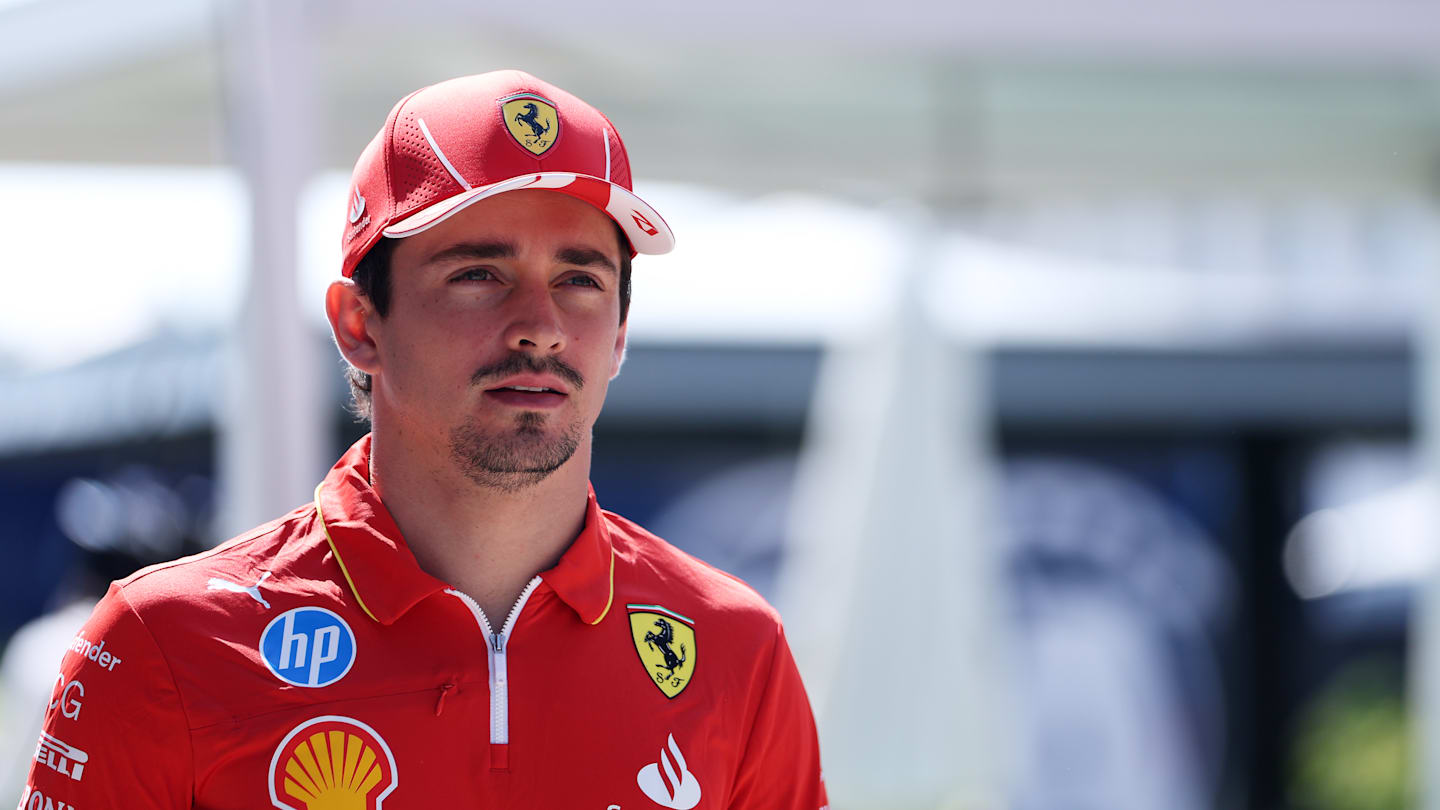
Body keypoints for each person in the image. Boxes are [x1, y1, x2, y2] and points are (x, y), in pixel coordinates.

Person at [19, 70, 827, 809]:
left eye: (580, 279)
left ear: (618, 333)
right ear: (358, 325)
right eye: (479, 274)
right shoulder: (163, 642)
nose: (541, 328)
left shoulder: (737, 650)